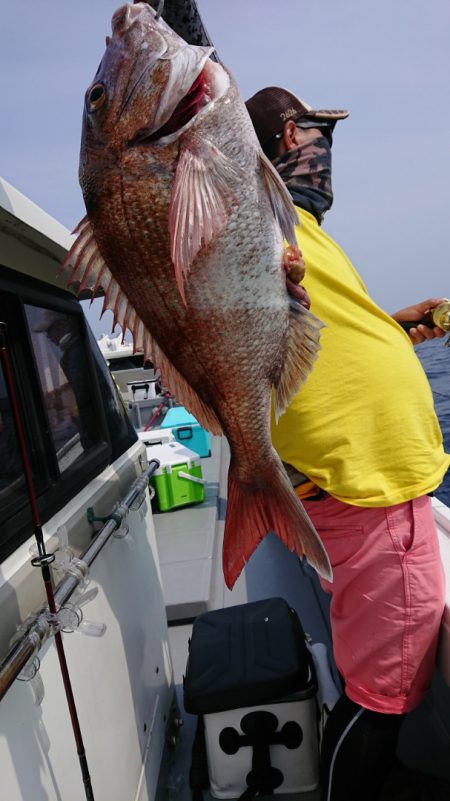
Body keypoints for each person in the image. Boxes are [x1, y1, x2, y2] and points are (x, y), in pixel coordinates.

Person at [245, 87, 450, 801]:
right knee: (378, 697)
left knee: (372, 674)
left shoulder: (303, 230)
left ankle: (375, 774)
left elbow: (323, 339)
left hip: (355, 492)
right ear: (289, 138)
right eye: (319, 135)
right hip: (370, 497)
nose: (327, 155)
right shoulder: (263, 218)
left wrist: (393, 330)